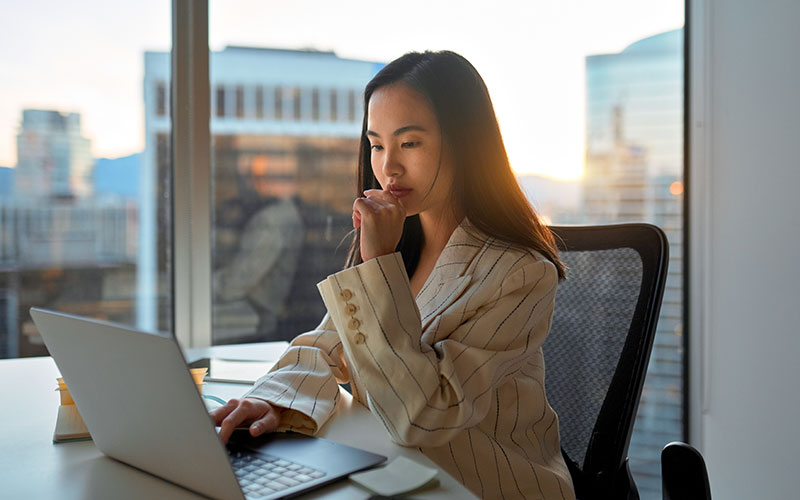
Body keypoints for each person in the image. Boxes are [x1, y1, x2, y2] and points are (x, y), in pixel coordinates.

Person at [210, 50, 576, 500]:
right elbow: (328, 344)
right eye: (377, 144)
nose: (388, 166)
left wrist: (377, 264)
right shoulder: (399, 245)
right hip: (393, 467)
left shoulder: (519, 274)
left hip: (481, 485)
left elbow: (422, 416)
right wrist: (273, 398)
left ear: (465, 142)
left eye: (410, 143)